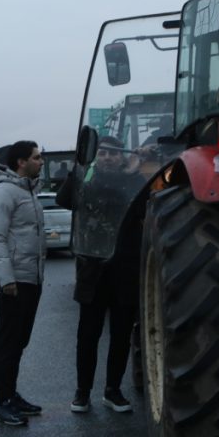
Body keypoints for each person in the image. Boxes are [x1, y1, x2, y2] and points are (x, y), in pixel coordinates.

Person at [70, 136, 139, 414]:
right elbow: (66, 198)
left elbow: (142, 199)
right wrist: (80, 166)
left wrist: (135, 169)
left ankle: (113, 390)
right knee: (87, 336)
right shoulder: (87, 182)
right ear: (96, 157)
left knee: (121, 336)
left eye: (114, 153)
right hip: (92, 273)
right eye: (103, 153)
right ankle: (82, 392)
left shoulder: (133, 183)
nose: (108, 157)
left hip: (124, 272)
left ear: (122, 157)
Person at [0, 140, 45, 426]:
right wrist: (6, 279)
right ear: (21, 162)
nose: (41, 161)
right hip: (13, 280)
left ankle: (12, 394)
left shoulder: (27, 191)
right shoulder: (2, 193)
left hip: (30, 277)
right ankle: (2, 402)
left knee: (20, 340)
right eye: (36, 157)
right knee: (7, 341)